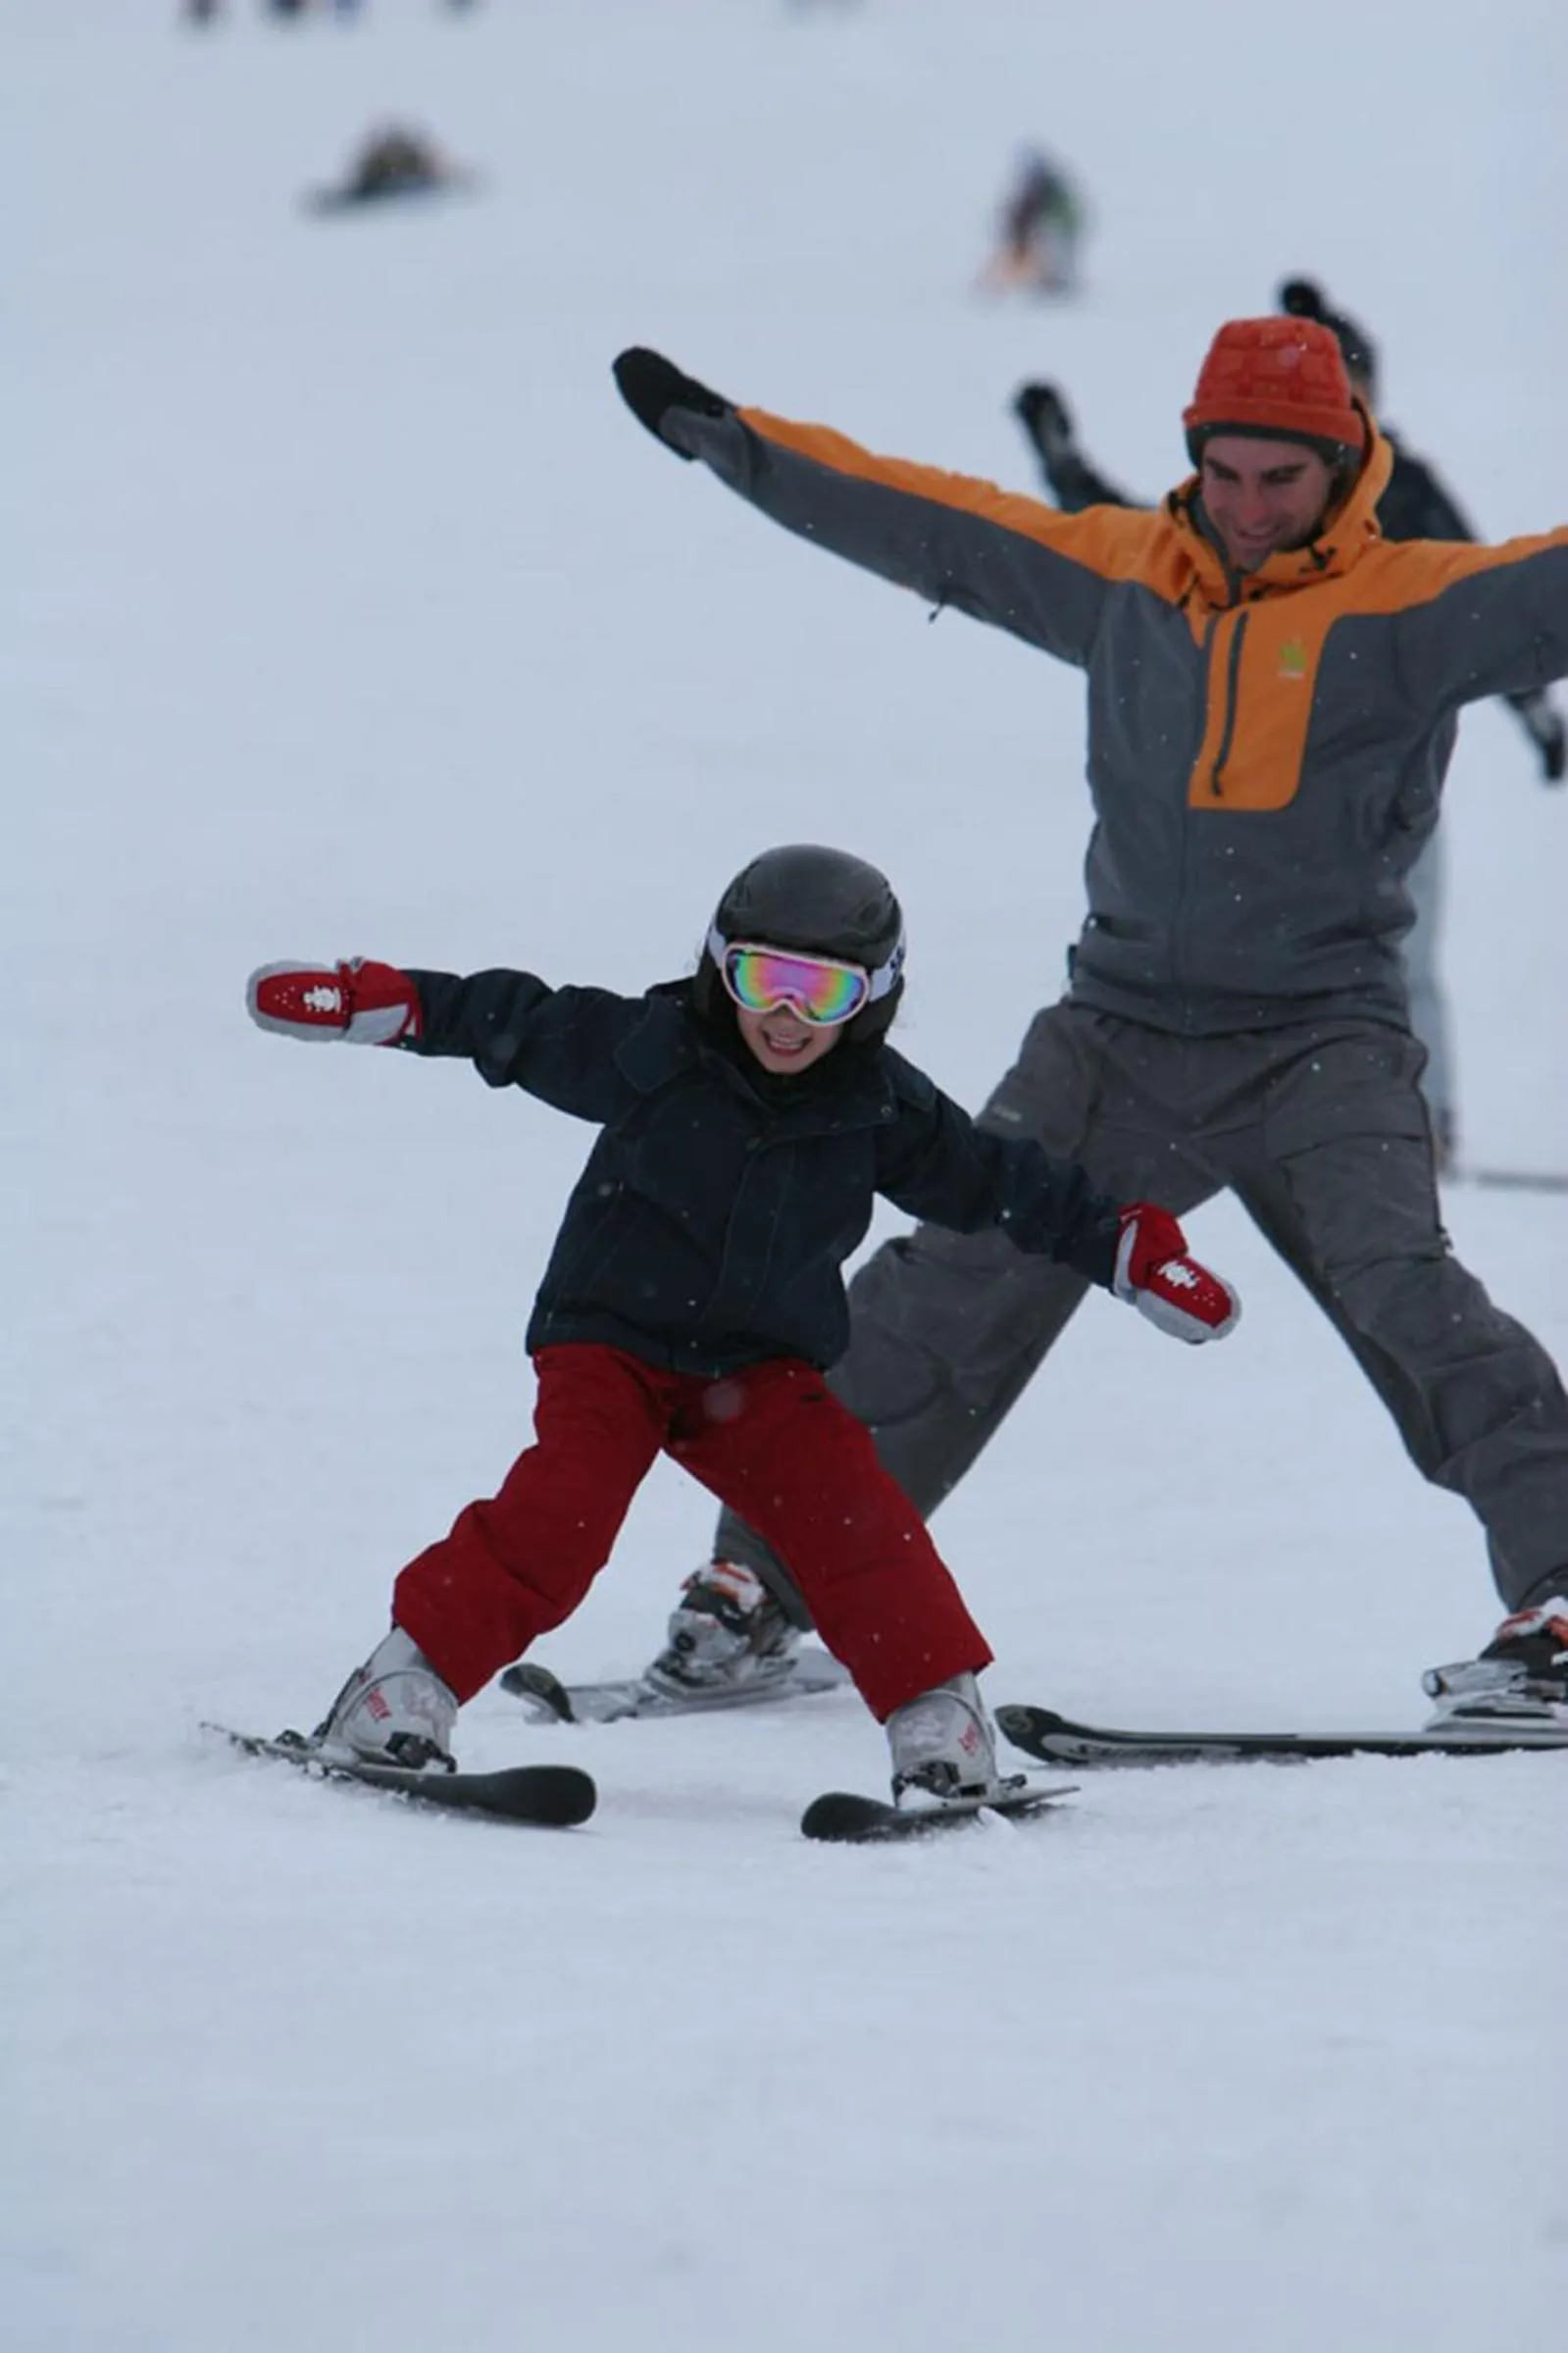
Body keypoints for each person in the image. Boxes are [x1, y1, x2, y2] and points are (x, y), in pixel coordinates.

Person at [607, 320, 1568, 1731]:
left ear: (1342, 465)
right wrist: (735, 443)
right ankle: (765, 1581)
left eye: (1279, 480)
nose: (1246, 507)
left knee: (1401, 1285)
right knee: (948, 1280)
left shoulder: (1406, 609)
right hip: (1112, 1036)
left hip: (1320, 1039)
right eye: (1224, 473)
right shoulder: (1125, 582)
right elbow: (926, 520)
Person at [244, 846, 1239, 1806]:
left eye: (828, 992)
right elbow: (516, 1018)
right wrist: (387, 1002)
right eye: (765, 978)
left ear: (876, 997)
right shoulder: (654, 1050)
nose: (789, 1015)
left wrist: (1125, 1246)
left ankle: (940, 1716)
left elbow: (998, 1179)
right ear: (722, 968)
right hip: (612, 1343)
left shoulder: (877, 1106)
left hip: (758, 1370)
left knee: (856, 1522)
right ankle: (399, 1688)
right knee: (564, 1513)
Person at [1012, 279, 1567, 1169]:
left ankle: (1422, 1130)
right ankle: (1317, 1127)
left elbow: (1494, 604)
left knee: (1401, 958)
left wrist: (1536, 715)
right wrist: (1063, 467)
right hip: (1261, 798)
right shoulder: (1260, 479)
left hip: (1381, 786)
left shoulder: (1406, 492)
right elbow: (1134, 548)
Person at [976, 147, 1084, 297]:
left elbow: (1040, 211)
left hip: (1054, 227)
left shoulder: (1047, 188)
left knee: (1051, 254)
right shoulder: (1041, 187)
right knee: (1046, 255)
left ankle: (1052, 283)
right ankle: (1047, 282)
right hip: (1043, 229)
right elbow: (1022, 211)